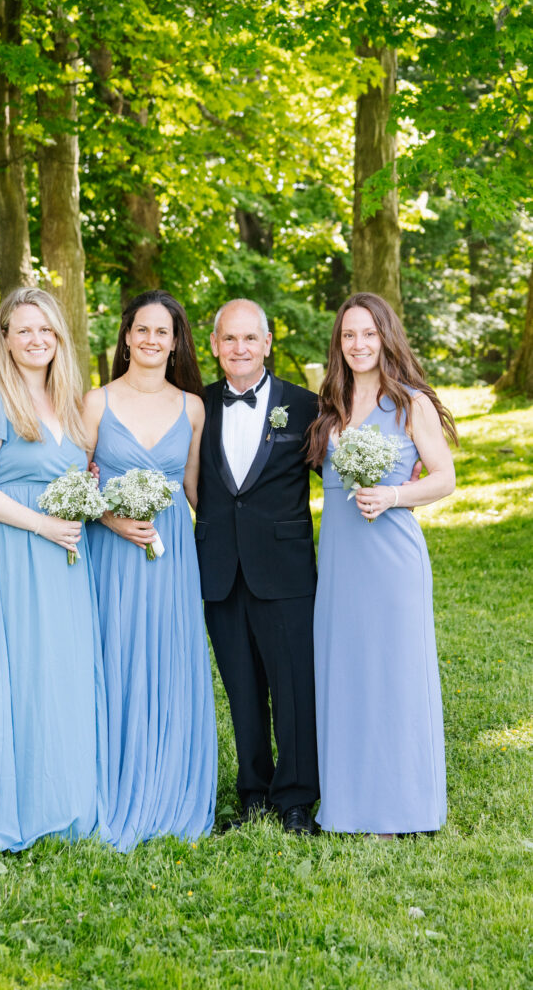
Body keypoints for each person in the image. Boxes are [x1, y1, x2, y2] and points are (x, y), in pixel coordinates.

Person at [0, 287, 106, 854]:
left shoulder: (68, 402)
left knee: (63, 669)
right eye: (24, 331)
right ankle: (23, 803)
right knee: (24, 669)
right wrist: (42, 524)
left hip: (62, 550)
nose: (37, 340)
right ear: (6, 341)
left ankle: (67, 797)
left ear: (59, 337)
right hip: (12, 548)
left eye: (47, 330)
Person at [308, 292, 458, 836]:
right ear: (339, 344)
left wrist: (394, 496)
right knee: (347, 675)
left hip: (392, 561)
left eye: (368, 333)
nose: (358, 344)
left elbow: (445, 477)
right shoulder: (330, 406)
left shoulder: (410, 402)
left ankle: (400, 808)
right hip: (341, 565)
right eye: (348, 335)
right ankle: (348, 803)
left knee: (393, 676)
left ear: (385, 336)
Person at [82, 290, 217, 852]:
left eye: (164, 332)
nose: (152, 340)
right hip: (111, 553)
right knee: (114, 659)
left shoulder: (191, 407)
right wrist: (111, 518)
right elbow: (73, 482)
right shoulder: (94, 401)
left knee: (167, 658)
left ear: (176, 340)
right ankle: (107, 789)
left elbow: (196, 489)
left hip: (170, 557)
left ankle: (169, 786)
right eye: (143, 330)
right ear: (127, 336)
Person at [195, 298, 320, 835]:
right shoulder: (196, 407)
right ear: (215, 345)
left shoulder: (307, 406)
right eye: (229, 339)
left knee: (293, 686)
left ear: (268, 343)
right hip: (220, 569)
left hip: (286, 569)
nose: (239, 349)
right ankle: (253, 792)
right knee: (241, 688)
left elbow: (339, 476)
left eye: (250, 339)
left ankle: (295, 798)